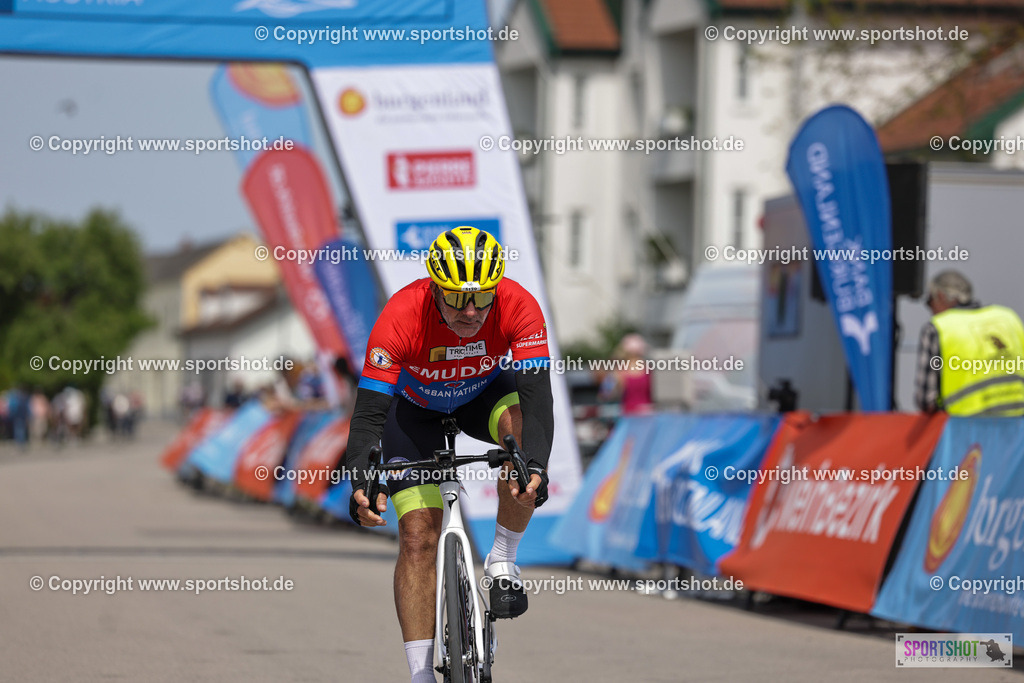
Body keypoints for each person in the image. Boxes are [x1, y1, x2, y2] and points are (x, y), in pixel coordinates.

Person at [344, 226, 552, 683]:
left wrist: (533, 464)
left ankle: (502, 556)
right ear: (436, 287)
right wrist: (361, 483)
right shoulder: (401, 316)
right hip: (413, 412)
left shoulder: (519, 306)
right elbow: (368, 418)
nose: (472, 311)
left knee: (520, 449)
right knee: (418, 537)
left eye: (482, 298)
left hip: (482, 398)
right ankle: (420, 673)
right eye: (457, 298)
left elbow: (538, 399)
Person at [914, 270, 1024, 415]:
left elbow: (926, 399)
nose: (930, 309)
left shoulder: (937, 328)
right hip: (1018, 428)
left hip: (966, 430)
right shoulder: (1008, 318)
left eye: (930, 301)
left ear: (940, 296)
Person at [599, 333, 653, 415]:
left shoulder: (620, 371)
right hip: (647, 411)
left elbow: (606, 394)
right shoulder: (648, 370)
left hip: (628, 412)